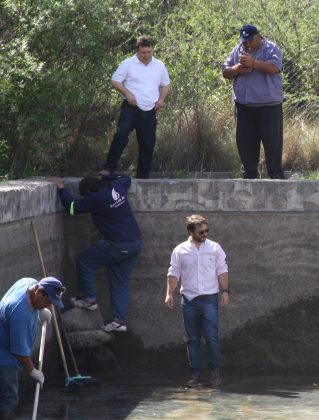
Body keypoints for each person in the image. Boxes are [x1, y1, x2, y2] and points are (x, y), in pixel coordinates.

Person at [52, 171, 142, 332]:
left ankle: (89, 298)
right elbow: (126, 177)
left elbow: (72, 207)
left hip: (117, 245)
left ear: (88, 193)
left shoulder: (95, 199)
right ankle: (119, 321)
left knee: (84, 261)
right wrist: (106, 176)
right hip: (135, 244)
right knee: (119, 282)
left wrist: (61, 188)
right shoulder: (117, 186)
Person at [165, 215, 229, 388]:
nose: (205, 234)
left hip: (209, 299)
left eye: (207, 230)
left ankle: (215, 372)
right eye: (201, 231)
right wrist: (169, 294)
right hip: (189, 300)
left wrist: (225, 291)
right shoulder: (180, 250)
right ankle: (196, 375)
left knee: (211, 338)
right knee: (192, 340)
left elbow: (222, 270)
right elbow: (174, 272)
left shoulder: (215, 248)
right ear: (190, 231)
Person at [221, 24, 285, 179]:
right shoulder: (238, 49)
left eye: (250, 40)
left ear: (258, 36)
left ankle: (276, 177)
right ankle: (249, 177)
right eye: (244, 41)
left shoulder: (270, 48)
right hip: (244, 106)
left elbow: (275, 67)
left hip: (269, 106)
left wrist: (253, 64)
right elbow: (225, 71)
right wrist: (236, 69)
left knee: (272, 145)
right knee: (246, 145)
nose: (247, 44)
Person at [103, 35, 171, 179]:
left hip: (150, 110)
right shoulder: (128, 63)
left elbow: (166, 84)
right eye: (143, 52)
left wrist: (161, 100)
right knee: (121, 135)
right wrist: (128, 94)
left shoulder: (159, 65)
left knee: (148, 144)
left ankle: (143, 177)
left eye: (149, 52)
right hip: (131, 108)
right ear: (137, 50)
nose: (146, 55)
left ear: (152, 50)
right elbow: (115, 81)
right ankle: (108, 169)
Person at [0, 277, 65, 418]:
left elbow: (32, 305)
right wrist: (33, 371)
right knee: (8, 400)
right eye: (48, 302)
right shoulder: (20, 314)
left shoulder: (29, 282)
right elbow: (19, 352)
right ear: (39, 292)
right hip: (3, 357)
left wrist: (38, 312)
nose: (48, 306)